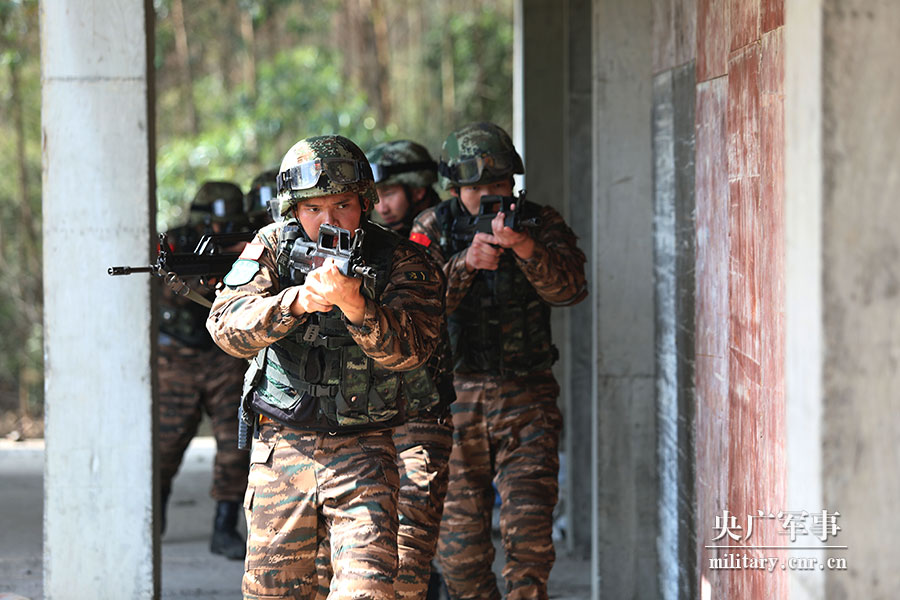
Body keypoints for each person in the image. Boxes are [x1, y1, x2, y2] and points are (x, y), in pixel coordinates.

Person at [206, 134, 445, 599]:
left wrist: (358, 308)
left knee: (369, 591)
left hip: (364, 452)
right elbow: (224, 325)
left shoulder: (400, 260)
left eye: (342, 206)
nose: (327, 221)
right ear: (294, 209)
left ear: (365, 203)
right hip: (282, 452)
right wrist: (294, 302)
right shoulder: (272, 246)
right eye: (313, 209)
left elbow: (414, 350)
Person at [410, 122, 588, 600]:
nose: (488, 196)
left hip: (527, 397)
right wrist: (465, 265)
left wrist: (526, 250)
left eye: (499, 185)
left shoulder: (540, 224)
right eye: (476, 189)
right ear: (455, 189)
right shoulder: (432, 228)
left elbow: (571, 289)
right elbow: (413, 309)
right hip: (455, 402)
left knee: (529, 542)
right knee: (459, 555)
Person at [314, 140, 456, 600]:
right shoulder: (336, 240)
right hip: (356, 415)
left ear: (416, 191)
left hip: (417, 407)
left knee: (408, 554)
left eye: (394, 191)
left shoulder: (416, 246)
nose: (386, 203)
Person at [158, 180, 252, 560]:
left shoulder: (252, 245)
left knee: (235, 445)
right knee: (164, 447)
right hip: (177, 357)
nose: (216, 233)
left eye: (226, 226)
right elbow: (166, 293)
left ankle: (224, 526)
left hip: (223, 356)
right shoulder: (178, 244)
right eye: (211, 226)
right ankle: (153, 515)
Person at [366, 140, 441, 237]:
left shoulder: (452, 231)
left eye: (388, 194)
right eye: (375, 196)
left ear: (418, 191)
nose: (382, 209)